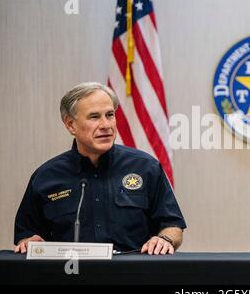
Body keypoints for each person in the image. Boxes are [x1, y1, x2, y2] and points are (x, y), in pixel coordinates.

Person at [14, 82, 186, 255]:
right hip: (70, 275)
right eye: (94, 117)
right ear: (70, 125)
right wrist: (29, 241)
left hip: (134, 276)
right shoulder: (46, 176)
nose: (106, 125)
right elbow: (26, 233)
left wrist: (164, 239)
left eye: (110, 115)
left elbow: (173, 225)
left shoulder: (146, 167)